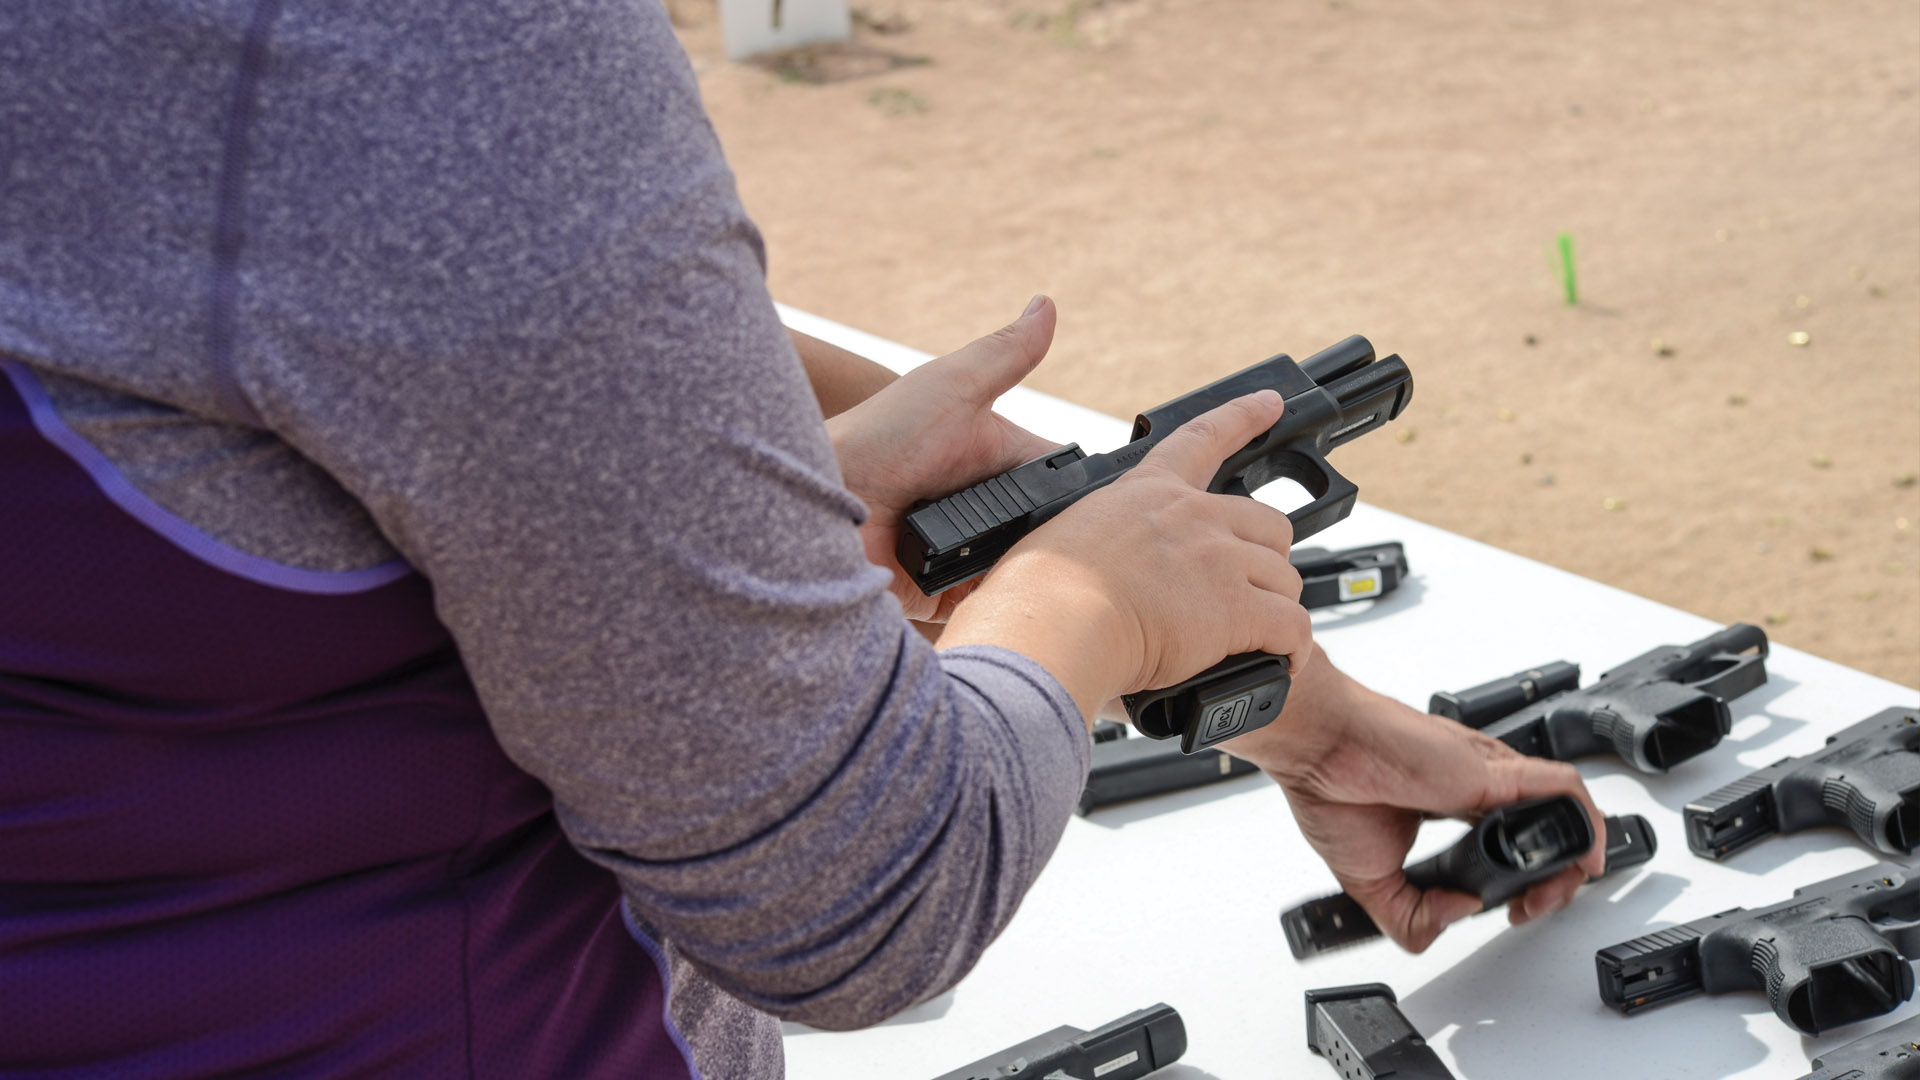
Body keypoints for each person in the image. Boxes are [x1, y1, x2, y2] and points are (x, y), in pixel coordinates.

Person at [0, 2, 1603, 1077]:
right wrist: (1087, 602)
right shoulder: (423, 57)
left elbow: (398, 337)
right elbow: (863, 899)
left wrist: (1306, 719)